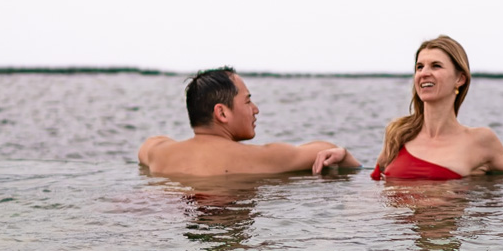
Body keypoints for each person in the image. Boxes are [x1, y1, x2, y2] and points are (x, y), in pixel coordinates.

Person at [335, 35, 503, 181]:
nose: (424, 72)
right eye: (419, 66)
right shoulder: (398, 132)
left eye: (436, 66)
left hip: (447, 240)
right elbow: (374, 179)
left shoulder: (481, 140)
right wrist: (345, 159)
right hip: (400, 244)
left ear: (460, 79)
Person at [138, 67, 361, 177]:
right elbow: (326, 152)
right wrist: (344, 153)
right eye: (248, 101)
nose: (255, 110)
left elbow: (146, 147)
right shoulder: (261, 157)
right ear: (222, 113)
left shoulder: (159, 152)